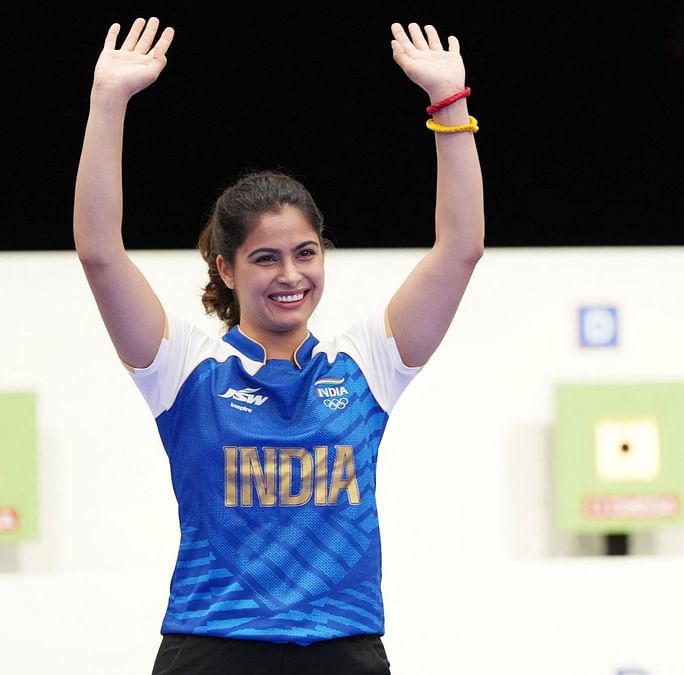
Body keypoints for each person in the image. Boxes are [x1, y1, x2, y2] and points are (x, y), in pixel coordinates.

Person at [73, 17, 483, 674]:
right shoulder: (184, 368)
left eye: (305, 253)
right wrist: (107, 102)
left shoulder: (366, 363)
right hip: (214, 643)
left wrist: (449, 104)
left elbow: (460, 249)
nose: (291, 275)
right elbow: (99, 254)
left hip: (343, 647)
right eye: (266, 258)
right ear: (226, 268)